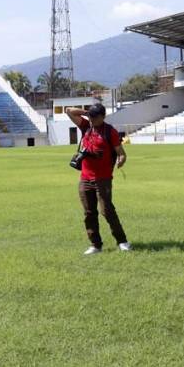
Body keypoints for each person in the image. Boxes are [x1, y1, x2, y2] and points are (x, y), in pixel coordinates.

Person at [65, 103, 131, 255]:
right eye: (91, 117)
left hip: (103, 178)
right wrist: (88, 112)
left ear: (103, 117)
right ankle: (95, 245)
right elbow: (69, 111)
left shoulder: (110, 132)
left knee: (107, 211)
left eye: (95, 117)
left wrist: (121, 159)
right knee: (89, 212)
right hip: (85, 178)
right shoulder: (86, 126)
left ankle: (122, 241)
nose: (92, 119)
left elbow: (121, 152)